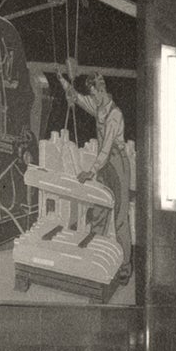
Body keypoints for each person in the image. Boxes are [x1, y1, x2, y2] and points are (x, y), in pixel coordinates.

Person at [69, 70, 132, 282]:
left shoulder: (115, 114)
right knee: (98, 210)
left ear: (100, 89)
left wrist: (91, 171)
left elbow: (105, 149)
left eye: (94, 93)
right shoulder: (99, 107)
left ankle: (125, 266)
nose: (93, 97)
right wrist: (62, 79)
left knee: (120, 217)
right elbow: (78, 98)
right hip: (104, 165)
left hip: (117, 164)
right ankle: (94, 258)